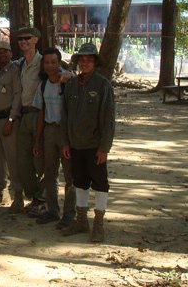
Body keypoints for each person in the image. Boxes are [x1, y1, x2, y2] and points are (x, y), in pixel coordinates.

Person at [60, 42, 115, 243]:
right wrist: (65, 142)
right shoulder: (72, 84)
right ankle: (81, 220)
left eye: (89, 60)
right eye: (82, 60)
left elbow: (108, 120)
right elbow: (64, 115)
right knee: (80, 183)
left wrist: (104, 148)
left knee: (100, 184)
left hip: (94, 146)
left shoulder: (103, 85)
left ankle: (98, 224)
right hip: (75, 145)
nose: (85, 63)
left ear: (95, 62)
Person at [32, 47, 75, 229]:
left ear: (59, 63)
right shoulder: (43, 85)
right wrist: (37, 139)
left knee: (70, 175)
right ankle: (52, 210)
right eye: (47, 62)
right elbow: (41, 113)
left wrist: (69, 76)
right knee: (50, 173)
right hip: (49, 131)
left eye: (53, 62)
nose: (50, 66)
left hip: (66, 133)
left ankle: (69, 213)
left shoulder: (68, 81)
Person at [0, 41, 23, 211]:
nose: (2, 55)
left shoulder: (15, 71)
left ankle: (18, 195)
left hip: (9, 120)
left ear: (10, 54)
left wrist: (11, 119)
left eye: (5, 52)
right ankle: (2, 191)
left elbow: (17, 96)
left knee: (12, 158)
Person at [15, 26, 46, 217]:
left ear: (35, 40)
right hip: (23, 116)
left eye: (27, 38)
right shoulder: (19, 64)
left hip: (40, 115)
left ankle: (42, 199)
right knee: (23, 160)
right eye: (20, 39)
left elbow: (60, 74)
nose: (23, 42)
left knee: (40, 158)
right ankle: (35, 196)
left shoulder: (44, 63)